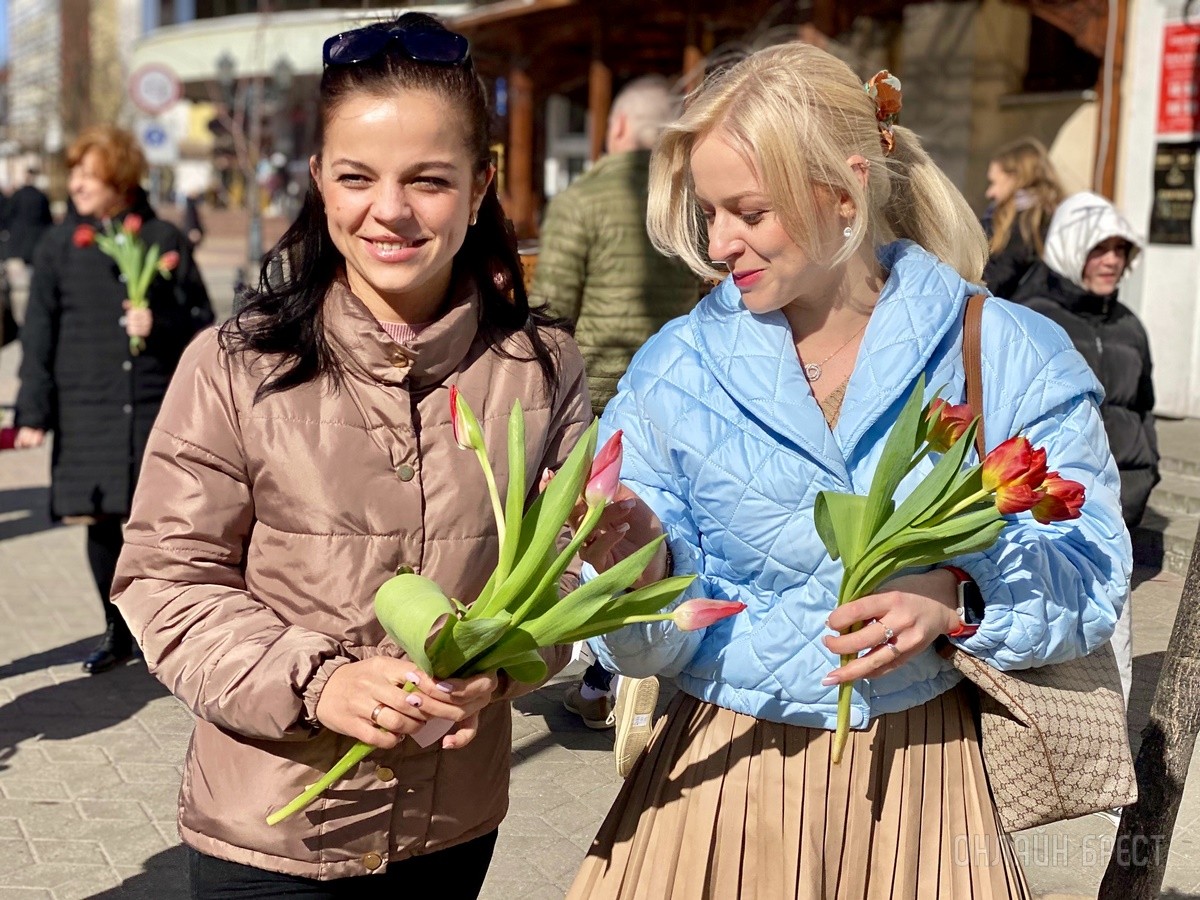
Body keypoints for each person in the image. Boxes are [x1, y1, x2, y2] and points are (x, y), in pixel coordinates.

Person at [566, 44, 1129, 898]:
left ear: (843, 189)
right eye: (709, 212)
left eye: (749, 212)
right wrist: (633, 565)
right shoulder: (673, 368)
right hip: (718, 788)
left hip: (926, 792)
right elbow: (647, 649)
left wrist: (955, 596)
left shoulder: (1002, 349)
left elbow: (1095, 574)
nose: (720, 243)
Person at [110, 13, 589, 898]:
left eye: (430, 180)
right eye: (359, 176)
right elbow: (165, 582)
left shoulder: (540, 365)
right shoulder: (235, 366)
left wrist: (500, 660)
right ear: (320, 181)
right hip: (273, 833)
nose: (391, 210)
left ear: (481, 185)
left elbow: (565, 569)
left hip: (452, 829)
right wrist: (317, 684)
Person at [531, 75, 701, 770]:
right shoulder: (688, 207)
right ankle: (634, 669)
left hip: (602, 399)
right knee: (661, 532)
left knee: (601, 536)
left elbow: (549, 311)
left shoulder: (581, 201)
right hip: (681, 394)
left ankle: (603, 678)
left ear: (619, 130)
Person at [12, 125, 213, 675]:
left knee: (160, 525)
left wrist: (161, 322)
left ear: (119, 179)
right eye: (73, 173)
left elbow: (202, 323)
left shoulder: (162, 239)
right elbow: (39, 334)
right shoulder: (59, 246)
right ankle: (116, 630)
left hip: (153, 404)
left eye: (88, 173)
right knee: (101, 523)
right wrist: (33, 411)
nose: (75, 183)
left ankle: (165, 631)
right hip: (88, 405)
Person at [1012, 191, 1155, 709]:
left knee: (1114, 656)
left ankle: (1110, 767)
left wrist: (1145, 476)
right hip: (1050, 515)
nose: (1113, 261)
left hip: (1118, 516)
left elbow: (1142, 408)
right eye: (1100, 249)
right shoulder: (1033, 318)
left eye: (1120, 250)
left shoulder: (1129, 326)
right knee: (1061, 663)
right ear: (1073, 249)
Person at [981, 137, 1064, 300]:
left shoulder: (1016, 227)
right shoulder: (1061, 219)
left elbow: (992, 283)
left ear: (1015, 178)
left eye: (994, 182)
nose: (989, 193)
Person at [3, 167, 54, 322]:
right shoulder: (41, 197)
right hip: (37, 248)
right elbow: (49, 221)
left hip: (17, 249)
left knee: (20, 290)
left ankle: (21, 321)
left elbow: (6, 217)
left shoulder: (16, 196)